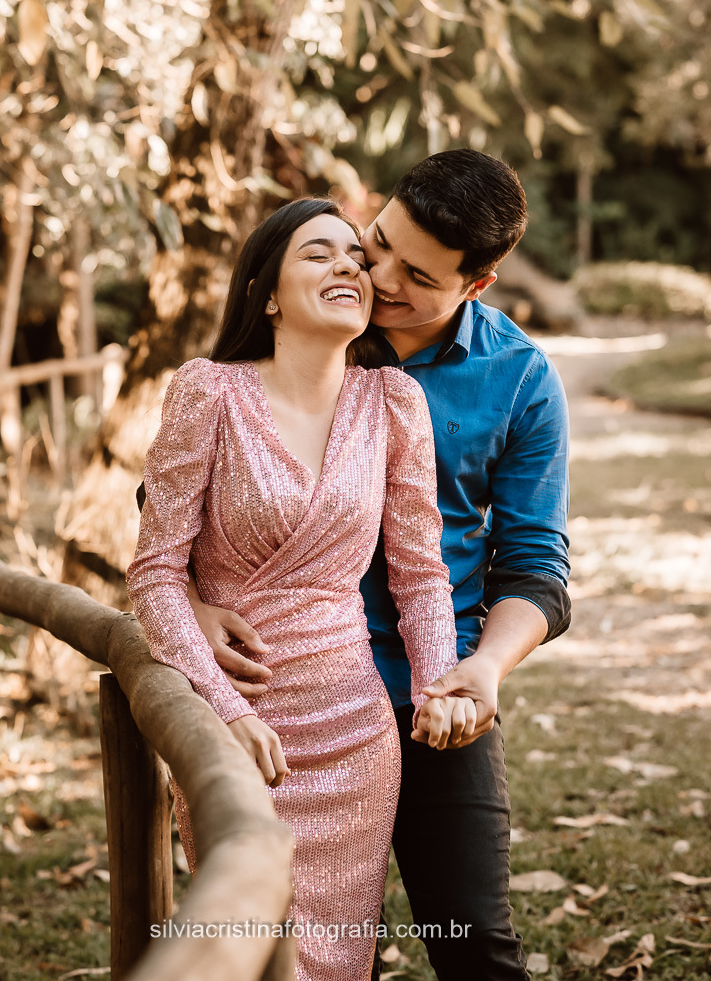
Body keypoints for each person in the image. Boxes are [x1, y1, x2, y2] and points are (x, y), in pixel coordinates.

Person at [184, 150, 571, 981]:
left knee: (472, 941)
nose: (379, 275)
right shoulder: (310, 319)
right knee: (255, 936)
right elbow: (175, 511)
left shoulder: (518, 379)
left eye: (417, 275)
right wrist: (195, 600)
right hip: (277, 684)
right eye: (378, 241)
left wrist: (482, 671)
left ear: (478, 282)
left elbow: (535, 564)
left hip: (431, 688)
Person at [126, 197, 471, 981]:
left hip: (356, 735)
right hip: (238, 732)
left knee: (338, 964)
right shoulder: (208, 391)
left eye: (355, 255)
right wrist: (226, 711)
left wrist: (439, 685)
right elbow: (153, 571)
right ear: (268, 292)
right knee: (241, 944)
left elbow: (418, 576)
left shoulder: (392, 403)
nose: (348, 265)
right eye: (318, 253)